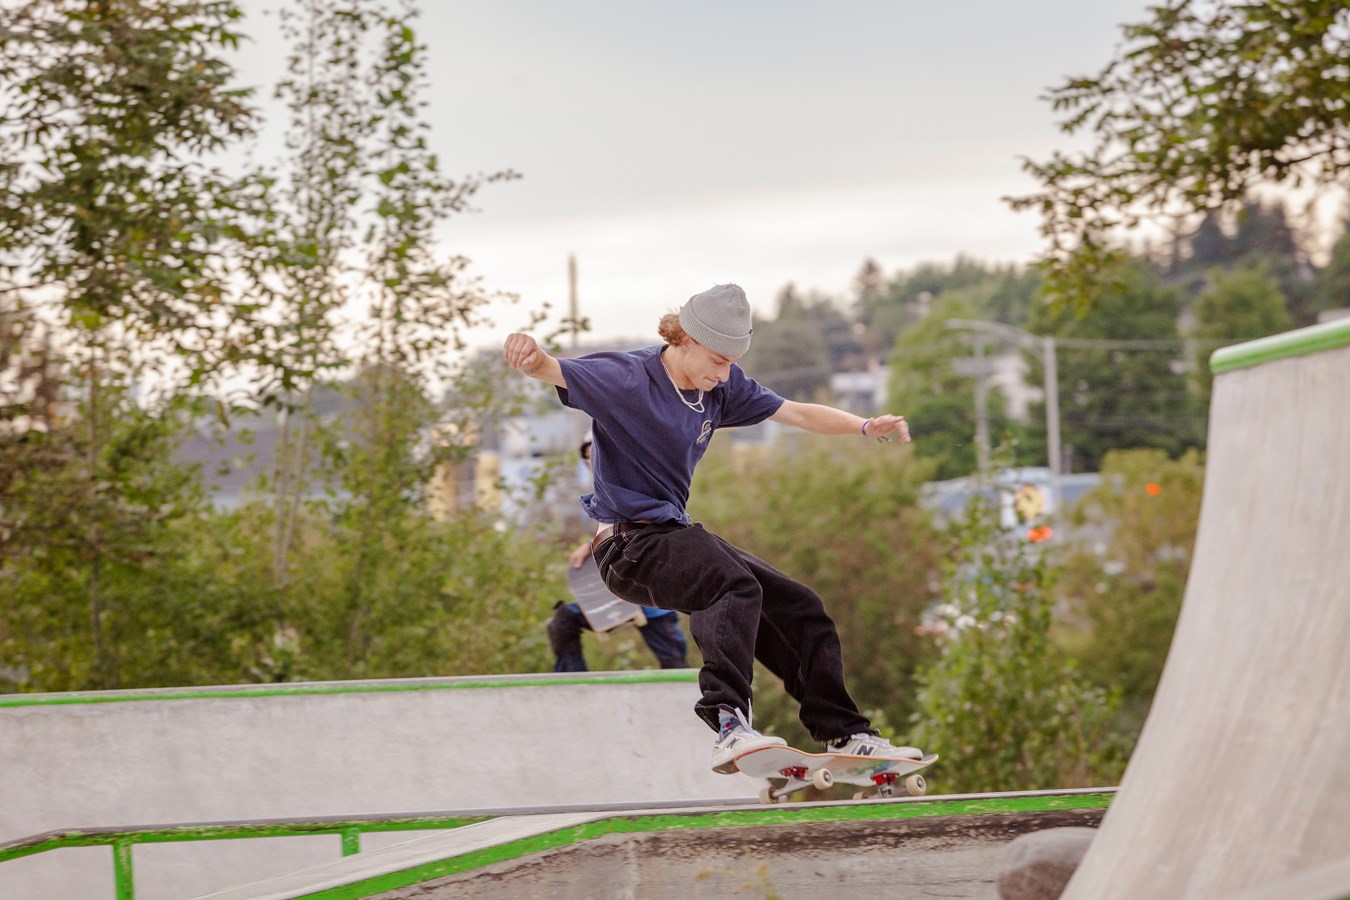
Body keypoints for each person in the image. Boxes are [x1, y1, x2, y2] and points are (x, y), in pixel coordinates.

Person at [503, 283, 924, 774]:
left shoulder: (722, 388)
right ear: (684, 338)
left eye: (731, 364)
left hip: (671, 535)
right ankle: (729, 722)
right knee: (732, 583)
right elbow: (552, 369)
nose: (723, 375)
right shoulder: (627, 378)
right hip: (627, 548)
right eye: (717, 361)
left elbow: (797, 413)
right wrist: (530, 355)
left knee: (798, 606)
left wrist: (864, 426)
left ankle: (844, 732)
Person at [549, 438, 690, 672]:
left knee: (675, 665)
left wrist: (630, 579)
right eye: (588, 458)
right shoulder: (600, 494)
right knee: (563, 622)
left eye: (596, 454)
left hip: (651, 594)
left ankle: (684, 687)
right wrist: (592, 545)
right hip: (616, 594)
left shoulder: (639, 483)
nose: (592, 462)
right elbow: (617, 533)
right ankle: (574, 687)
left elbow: (650, 530)